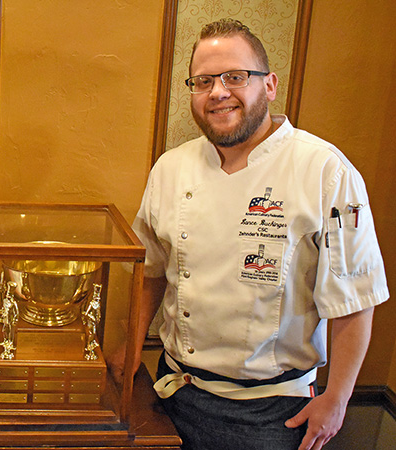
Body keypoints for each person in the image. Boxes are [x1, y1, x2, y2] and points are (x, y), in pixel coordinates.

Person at [129, 18, 389, 450]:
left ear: (268, 85)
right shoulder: (170, 169)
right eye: (204, 80)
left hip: (272, 414)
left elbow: (354, 299)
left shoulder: (325, 171)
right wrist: (129, 349)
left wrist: (338, 399)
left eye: (235, 77)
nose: (218, 92)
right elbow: (152, 272)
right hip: (173, 391)